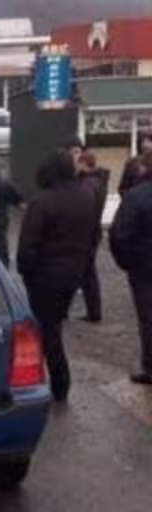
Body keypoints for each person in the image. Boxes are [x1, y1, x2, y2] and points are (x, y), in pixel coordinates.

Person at [17, 152, 101, 402]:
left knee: (47, 330)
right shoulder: (87, 196)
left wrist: (26, 272)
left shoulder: (43, 201)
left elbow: (28, 245)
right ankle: (56, 382)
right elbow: (94, 234)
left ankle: (57, 383)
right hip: (73, 273)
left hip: (45, 276)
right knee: (53, 326)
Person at [110, 151, 152, 386]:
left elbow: (119, 234)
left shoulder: (136, 196)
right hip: (143, 265)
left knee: (148, 317)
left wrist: (127, 262)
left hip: (144, 269)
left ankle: (150, 367)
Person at [77, 151, 110, 323]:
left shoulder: (88, 184)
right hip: (93, 231)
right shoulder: (98, 181)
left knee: (87, 274)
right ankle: (93, 311)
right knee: (87, 272)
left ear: (84, 164)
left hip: (86, 233)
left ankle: (94, 311)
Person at [119, 130, 152, 196]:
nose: (145, 144)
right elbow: (123, 188)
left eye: (150, 141)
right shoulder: (131, 164)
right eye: (143, 141)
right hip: (136, 200)